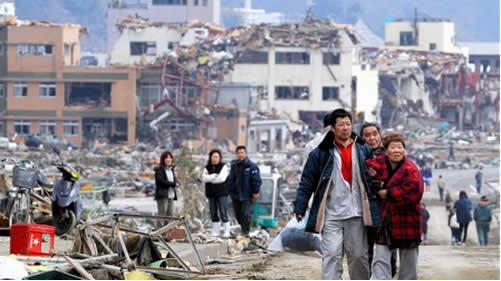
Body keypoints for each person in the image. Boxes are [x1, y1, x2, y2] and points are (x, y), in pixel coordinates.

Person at [294, 109, 380, 280]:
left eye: (348, 124)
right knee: (332, 255)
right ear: (332, 128)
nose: (346, 128)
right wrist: (300, 205)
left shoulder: (363, 149)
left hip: (357, 212)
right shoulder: (320, 153)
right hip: (331, 214)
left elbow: (376, 176)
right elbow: (307, 181)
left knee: (358, 256)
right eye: (341, 125)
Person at [366, 132, 424, 280]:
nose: (397, 151)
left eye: (400, 147)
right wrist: (376, 183)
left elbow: (414, 192)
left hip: (407, 219)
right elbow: (365, 172)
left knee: (408, 261)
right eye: (393, 147)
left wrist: (388, 193)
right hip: (385, 218)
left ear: (404, 150)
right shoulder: (378, 163)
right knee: (380, 258)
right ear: (386, 150)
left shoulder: (411, 169)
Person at [360, 122, 397, 277]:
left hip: (387, 209)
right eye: (367, 135)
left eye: (374, 134)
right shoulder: (358, 155)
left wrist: (380, 182)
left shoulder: (391, 155)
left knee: (389, 248)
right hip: (365, 208)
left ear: (380, 136)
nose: (372, 138)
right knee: (366, 249)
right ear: (362, 138)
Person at [227, 145, 262, 237]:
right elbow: (231, 179)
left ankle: (246, 232)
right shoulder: (234, 166)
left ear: (246, 154)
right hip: (235, 195)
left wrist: (256, 192)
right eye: (238, 153)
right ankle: (243, 229)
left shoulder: (252, 166)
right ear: (236, 154)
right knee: (238, 215)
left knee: (246, 214)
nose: (240, 155)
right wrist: (230, 191)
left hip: (247, 195)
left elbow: (257, 181)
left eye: (242, 153)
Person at [201, 149, 231, 238]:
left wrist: (210, 178)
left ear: (220, 158)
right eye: (213, 156)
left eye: (217, 157)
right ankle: (215, 231)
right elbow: (204, 178)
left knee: (223, 211)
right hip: (211, 193)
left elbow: (221, 179)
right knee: (213, 212)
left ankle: (226, 231)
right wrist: (214, 176)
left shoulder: (223, 166)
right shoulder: (207, 167)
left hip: (222, 193)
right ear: (210, 157)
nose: (215, 158)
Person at [154, 151, 179, 218]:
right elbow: (161, 181)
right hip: (163, 195)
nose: (169, 159)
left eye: (170, 158)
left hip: (171, 195)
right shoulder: (159, 169)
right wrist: (174, 184)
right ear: (163, 159)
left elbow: (174, 179)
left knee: (170, 215)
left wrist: (178, 183)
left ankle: (169, 228)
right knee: (162, 215)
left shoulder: (171, 169)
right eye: (167, 158)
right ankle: (161, 228)